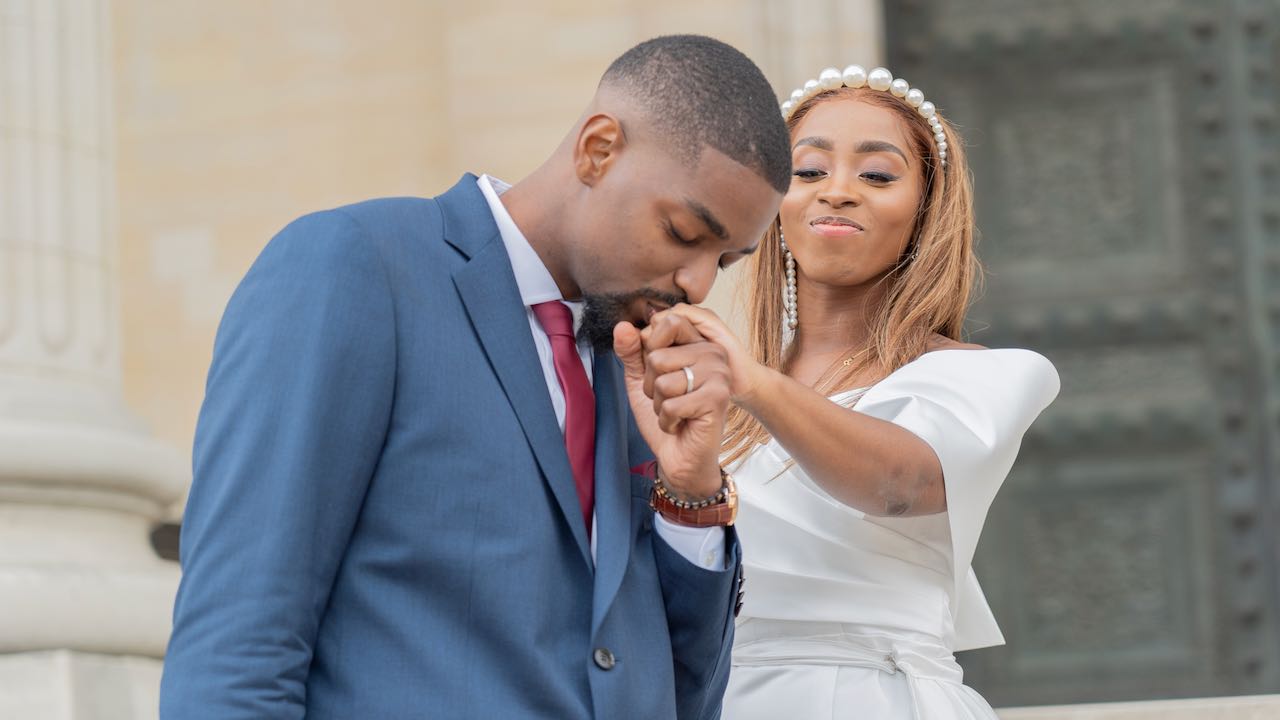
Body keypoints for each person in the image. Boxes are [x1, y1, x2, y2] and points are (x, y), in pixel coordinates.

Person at [158, 35, 791, 719]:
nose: (696, 284)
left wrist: (690, 497)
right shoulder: (356, 269)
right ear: (598, 150)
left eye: (725, 260)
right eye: (682, 233)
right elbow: (238, 646)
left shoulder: (640, 375)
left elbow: (681, 697)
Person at [651, 65, 1060, 718]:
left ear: (926, 209)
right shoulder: (713, 406)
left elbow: (900, 483)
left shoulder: (986, 377)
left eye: (877, 175)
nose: (837, 192)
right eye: (808, 172)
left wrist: (752, 382)